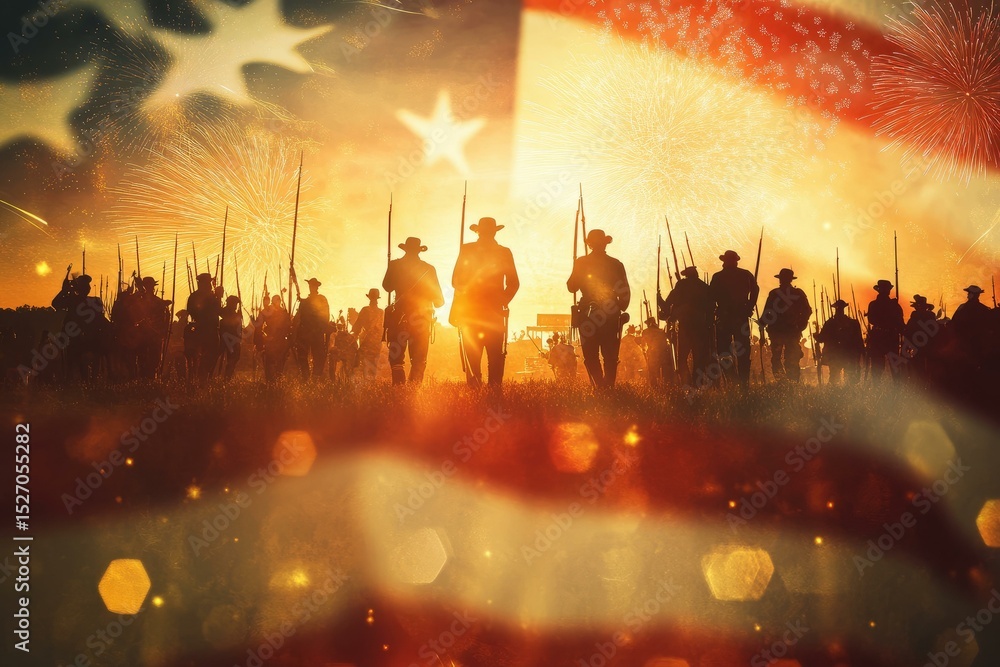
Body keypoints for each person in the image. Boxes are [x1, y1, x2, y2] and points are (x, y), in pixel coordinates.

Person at [450, 217, 520, 388]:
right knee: (495, 355)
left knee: (473, 354)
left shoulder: (467, 249)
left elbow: (456, 281)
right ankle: (494, 391)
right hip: (491, 311)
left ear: (478, 232)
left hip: (471, 310)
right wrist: (501, 301)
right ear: (495, 232)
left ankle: (475, 390)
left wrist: (465, 296)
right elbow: (514, 284)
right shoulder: (503, 252)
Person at [566, 229, 631, 389]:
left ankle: (601, 386)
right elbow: (624, 291)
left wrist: (576, 267)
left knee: (590, 354)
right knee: (610, 354)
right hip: (610, 312)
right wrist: (620, 307)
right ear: (604, 244)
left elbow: (571, 287)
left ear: (590, 244)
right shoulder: (616, 264)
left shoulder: (582, 262)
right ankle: (607, 387)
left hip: (587, 313)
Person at [382, 237, 445, 384]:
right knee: (419, 357)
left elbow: (387, 287)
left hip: (399, 316)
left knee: (396, 357)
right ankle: (414, 388)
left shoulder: (395, 265)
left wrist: (391, 269)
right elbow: (439, 301)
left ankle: (399, 387)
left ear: (405, 249)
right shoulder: (429, 269)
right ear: (418, 250)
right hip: (421, 318)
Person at [709, 250, 759, 387]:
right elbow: (755, 290)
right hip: (740, 316)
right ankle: (743, 383)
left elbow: (711, 297)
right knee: (743, 350)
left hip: (724, 318)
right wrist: (749, 306)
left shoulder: (718, 277)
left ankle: (733, 380)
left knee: (724, 351)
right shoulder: (746, 274)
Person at [660, 265, 713, 385]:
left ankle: (687, 383)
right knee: (699, 359)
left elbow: (668, 303)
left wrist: (660, 300)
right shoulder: (704, 287)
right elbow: (711, 307)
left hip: (685, 327)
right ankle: (697, 384)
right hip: (701, 327)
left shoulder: (681, 285)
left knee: (682, 359)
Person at [762, 269, 812, 382]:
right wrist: (800, 325)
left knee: (778, 357)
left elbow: (767, 313)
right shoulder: (798, 293)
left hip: (779, 331)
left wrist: (762, 323)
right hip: (790, 331)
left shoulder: (774, 293)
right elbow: (807, 311)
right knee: (791, 357)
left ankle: (782, 381)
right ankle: (791, 381)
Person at [815, 299, 864, 384]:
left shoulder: (830, 323)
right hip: (847, 354)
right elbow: (859, 340)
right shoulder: (853, 323)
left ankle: (835, 391)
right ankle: (845, 390)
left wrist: (816, 336)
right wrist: (860, 352)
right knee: (848, 377)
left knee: (835, 377)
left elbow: (821, 338)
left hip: (836, 354)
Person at [865, 279, 904, 381]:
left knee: (886, 367)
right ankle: (889, 388)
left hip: (884, 337)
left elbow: (900, 323)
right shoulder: (893, 305)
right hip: (886, 337)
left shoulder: (876, 304)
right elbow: (872, 320)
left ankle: (882, 388)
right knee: (885, 366)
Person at [186, 273, 222, 381]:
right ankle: (200, 377)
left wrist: (218, 297)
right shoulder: (197, 296)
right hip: (203, 329)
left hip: (211, 329)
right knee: (202, 355)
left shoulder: (211, 296)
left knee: (212, 354)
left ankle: (203, 376)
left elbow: (218, 311)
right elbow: (192, 311)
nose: (210, 285)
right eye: (208, 282)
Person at [950, 285, 992, 371]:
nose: (967, 295)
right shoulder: (984, 309)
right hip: (979, 340)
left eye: (969, 293)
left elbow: (954, 321)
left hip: (963, 340)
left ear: (973, 295)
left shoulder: (963, 307)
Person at [295, 278, 330, 380]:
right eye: (310, 285)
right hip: (305, 333)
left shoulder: (321, 299)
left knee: (318, 356)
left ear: (317, 287)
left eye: (313, 285)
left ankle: (315, 378)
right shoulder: (305, 301)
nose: (311, 287)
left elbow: (325, 316)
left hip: (317, 333)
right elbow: (299, 316)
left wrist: (321, 328)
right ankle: (306, 377)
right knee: (302, 356)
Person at [902, 294, 938, 379]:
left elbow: (909, 330)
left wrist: (906, 343)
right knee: (928, 366)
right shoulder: (931, 316)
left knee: (917, 365)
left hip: (917, 345)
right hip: (929, 345)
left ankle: (919, 380)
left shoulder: (915, 316)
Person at [257, 295, 292, 382]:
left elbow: (289, 327)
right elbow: (258, 326)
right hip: (272, 341)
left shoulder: (283, 313)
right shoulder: (268, 312)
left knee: (279, 362)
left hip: (280, 341)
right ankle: (271, 382)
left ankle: (275, 381)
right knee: (271, 362)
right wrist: (260, 341)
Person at [352, 288, 385, 380]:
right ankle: (371, 381)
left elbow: (358, 324)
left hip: (366, 340)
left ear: (369, 298)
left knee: (363, 361)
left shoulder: (365, 310)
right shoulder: (381, 312)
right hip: (377, 341)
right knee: (374, 362)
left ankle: (365, 381)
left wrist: (354, 335)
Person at [640, 317, 672, 388]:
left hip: (652, 353)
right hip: (663, 353)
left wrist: (644, 350)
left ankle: (655, 387)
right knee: (664, 371)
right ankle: (666, 386)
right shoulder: (661, 331)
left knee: (652, 371)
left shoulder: (645, 332)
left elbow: (643, 344)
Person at [219, 295, 243, 380]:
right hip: (229, 340)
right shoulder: (228, 313)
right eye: (235, 304)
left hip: (231, 340)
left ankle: (226, 377)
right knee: (233, 358)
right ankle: (226, 378)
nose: (236, 306)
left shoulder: (229, 313)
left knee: (233, 359)